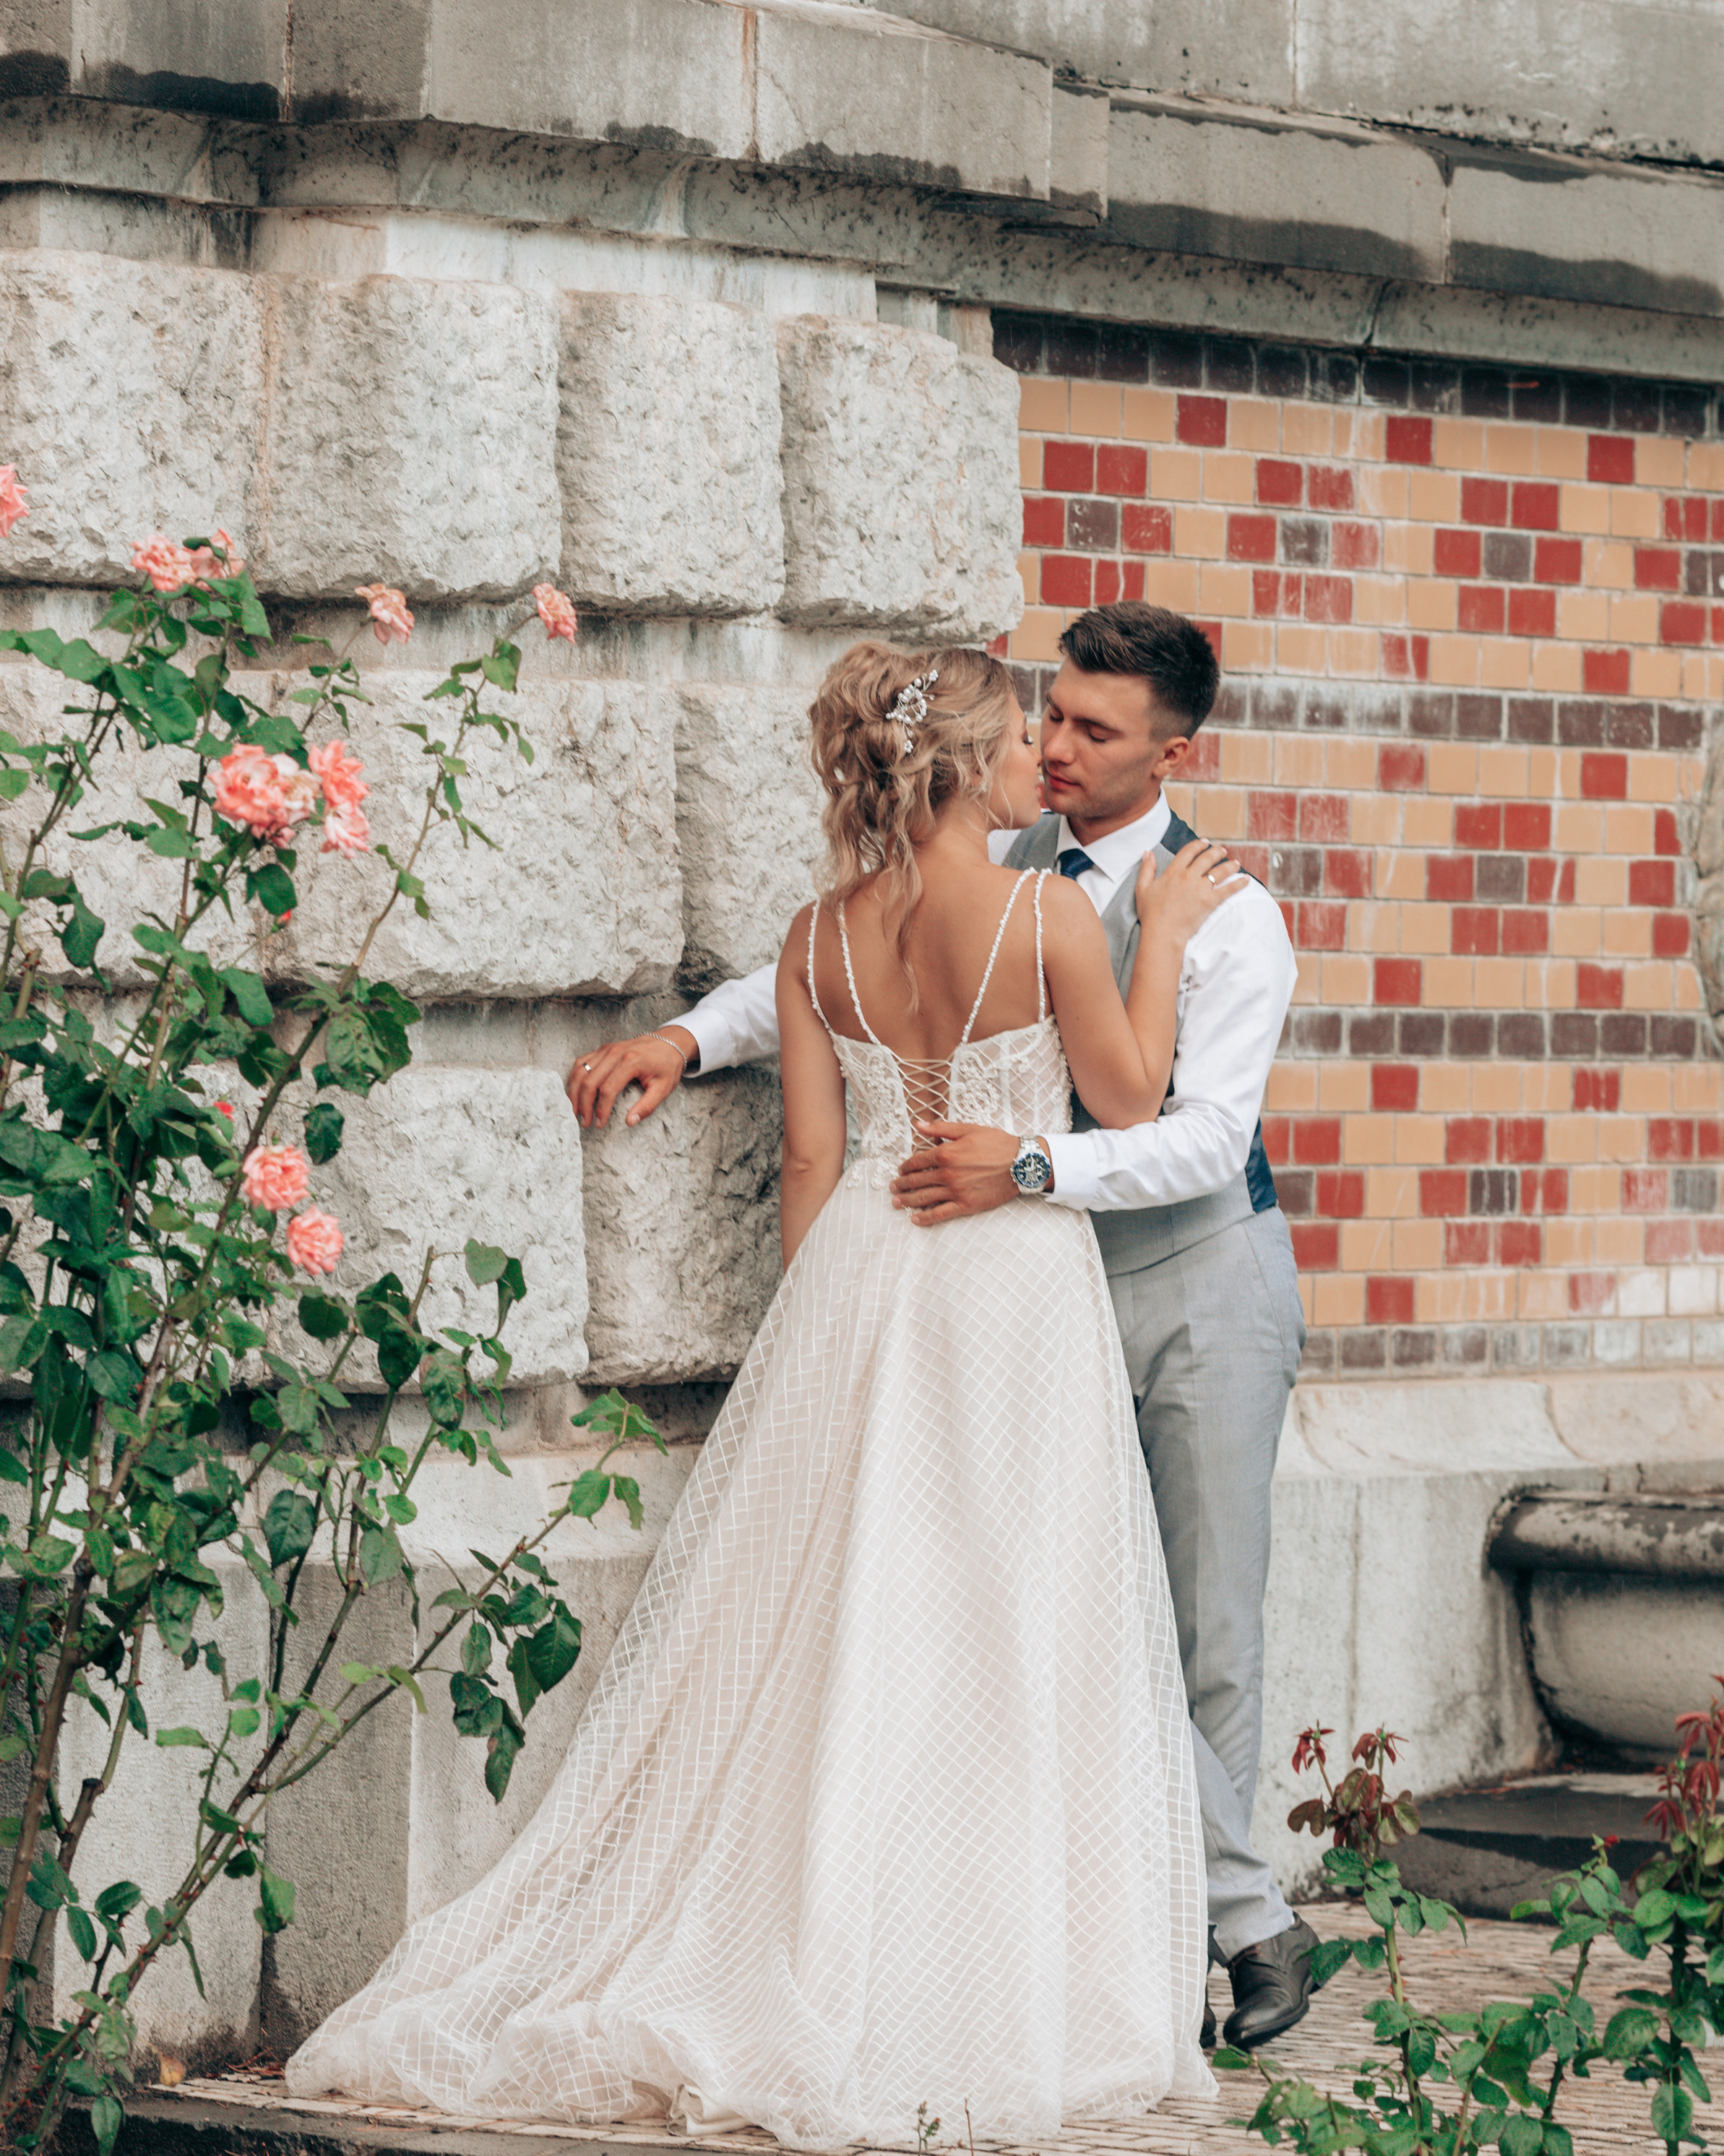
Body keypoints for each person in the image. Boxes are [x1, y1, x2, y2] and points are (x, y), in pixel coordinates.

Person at [286, 643, 1236, 2147]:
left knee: (850, 1609)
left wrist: (819, 1340)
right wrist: (1165, 937)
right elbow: (1128, 1102)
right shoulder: (1051, 912)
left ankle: (818, 1907)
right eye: (1015, 741)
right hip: (1004, 1276)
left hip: (862, 1263)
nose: (1033, 764)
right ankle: (986, 1966)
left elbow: (808, 1161)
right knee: (1006, 1608)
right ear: (965, 765)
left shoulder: (813, 938)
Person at [572, 601, 1315, 2057]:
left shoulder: (1223, 908)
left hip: (1189, 1283)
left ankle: (1200, 1928)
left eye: (1093, 729)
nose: (1056, 744)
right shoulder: (1013, 872)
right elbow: (817, 986)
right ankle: (1221, 1931)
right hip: (1007, 1282)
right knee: (1040, 1616)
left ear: (1173, 747)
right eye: (1047, 717)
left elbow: (1200, 1137)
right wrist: (680, 1035)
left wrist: (1025, 1168)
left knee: (1195, 1634)